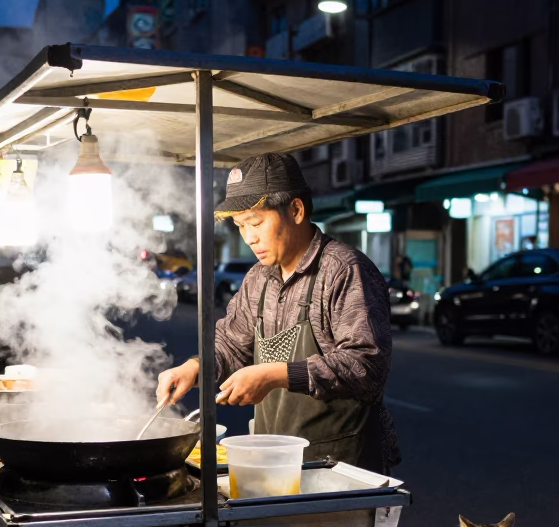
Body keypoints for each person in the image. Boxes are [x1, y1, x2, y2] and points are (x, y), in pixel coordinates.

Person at [155, 152, 399, 474]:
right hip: (273, 459)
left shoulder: (344, 270)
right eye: (240, 226)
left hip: (338, 468)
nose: (249, 237)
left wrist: (273, 375)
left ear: (296, 210)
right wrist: (195, 367)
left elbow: (366, 366)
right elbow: (232, 344)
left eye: (256, 223)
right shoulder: (259, 277)